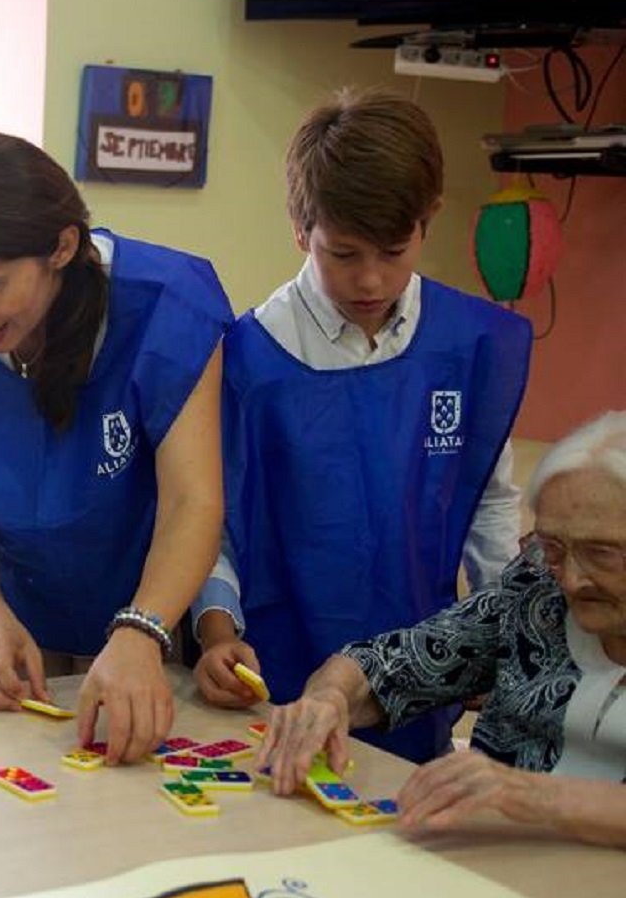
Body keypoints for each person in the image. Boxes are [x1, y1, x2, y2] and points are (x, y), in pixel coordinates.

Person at [191, 89, 531, 764]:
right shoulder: (244, 358)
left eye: (393, 250)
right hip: (274, 679)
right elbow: (211, 519)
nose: (371, 279)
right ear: (299, 229)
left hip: (420, 679)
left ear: (427, 221)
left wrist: (507, 644)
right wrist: (215, 630)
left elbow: (490, 506)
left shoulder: (471, 345)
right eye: (342, 254)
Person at [0, 130, 233, 762]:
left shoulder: (165, 309)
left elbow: (193, 503)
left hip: (147, 612)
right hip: (5, 620)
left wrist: (142, 630)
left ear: (63, 247)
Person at [257, 411, 626, 848]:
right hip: (498, 866)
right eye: (553, 547)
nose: (570, 578)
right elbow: (406, 659)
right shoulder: (537, 583)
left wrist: (532, 795)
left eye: (601, 553)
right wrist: (330, 697)